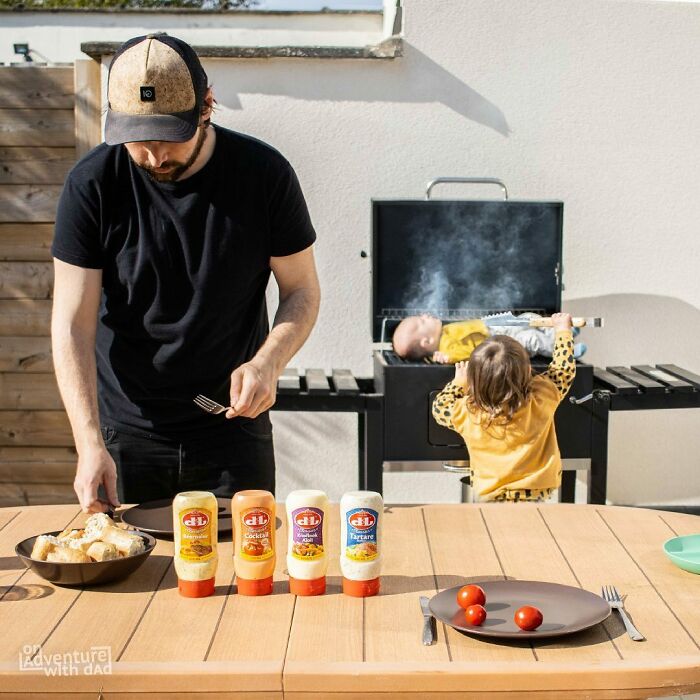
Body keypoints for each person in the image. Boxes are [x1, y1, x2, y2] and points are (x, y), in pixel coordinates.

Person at [51, 33, 320, 513]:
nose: (155, 157)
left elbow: (301, 290)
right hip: (125, 434)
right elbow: (72, 323)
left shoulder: (264, 175)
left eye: (169, 138)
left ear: (206, 105)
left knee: (246, 560)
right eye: (139, 140)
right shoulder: (92, 185)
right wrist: (87, 442)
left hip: (233, 431)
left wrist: (268, 363)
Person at [431, 313, 576, 502]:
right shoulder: (542, 396)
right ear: (527, 370)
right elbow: (563, 370)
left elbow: (440, 406)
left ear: (474, 380)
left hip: (488, 496)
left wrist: (458, 383)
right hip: (536, 493)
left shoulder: (469, 413)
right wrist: (563, 331)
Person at [392, 312, 585, 363]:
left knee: (528, 318)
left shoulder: (444, 331)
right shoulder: (447, 350)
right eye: (422, 321)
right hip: (499, 344)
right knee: (530, 339)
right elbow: (468, 356)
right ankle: (565, 349)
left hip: (494, 327)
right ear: (426, 342)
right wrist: (448, 359)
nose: (425, 315)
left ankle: (560, 332)